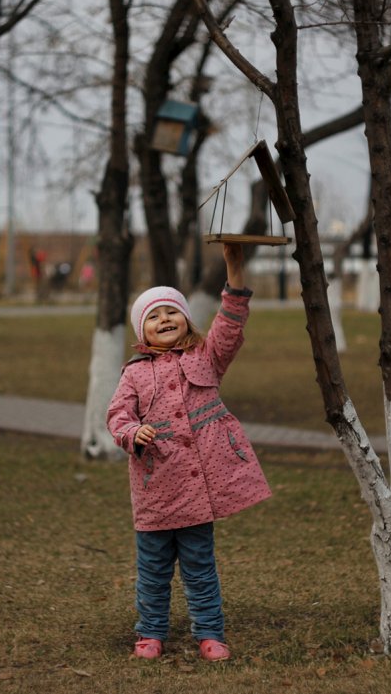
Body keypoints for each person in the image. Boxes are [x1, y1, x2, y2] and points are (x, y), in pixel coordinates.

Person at [106, 244, 272, 662]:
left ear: (185, 319)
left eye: (171, 312)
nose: (164, 320)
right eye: (154, 316)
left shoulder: (206, 357)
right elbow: (116, 415)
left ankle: (210, 633)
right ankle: (150, 633)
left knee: (200, 568)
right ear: (142, 332)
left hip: (198, 494)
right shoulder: (134, 374)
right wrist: (132, 432)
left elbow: (230, 324)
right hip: (155, 491)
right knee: (153, 572)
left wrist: (234, 268)